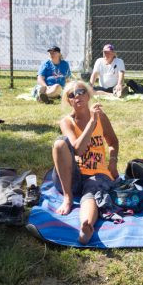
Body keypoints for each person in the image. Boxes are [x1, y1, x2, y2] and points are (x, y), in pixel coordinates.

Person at [51, 80, 119, 244]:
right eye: (72, 95)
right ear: (69, 101)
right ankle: (68, 198)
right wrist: (91, 123)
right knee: (60, 143)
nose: (77, 96)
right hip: (71, 177)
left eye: (81, 92)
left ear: (88, 95)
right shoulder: (67, 122)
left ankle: (86, 226)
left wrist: (113, 162)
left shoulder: (100, 117)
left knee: (91, 193)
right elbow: (78, 149)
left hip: (96, 175)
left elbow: (113, 142)